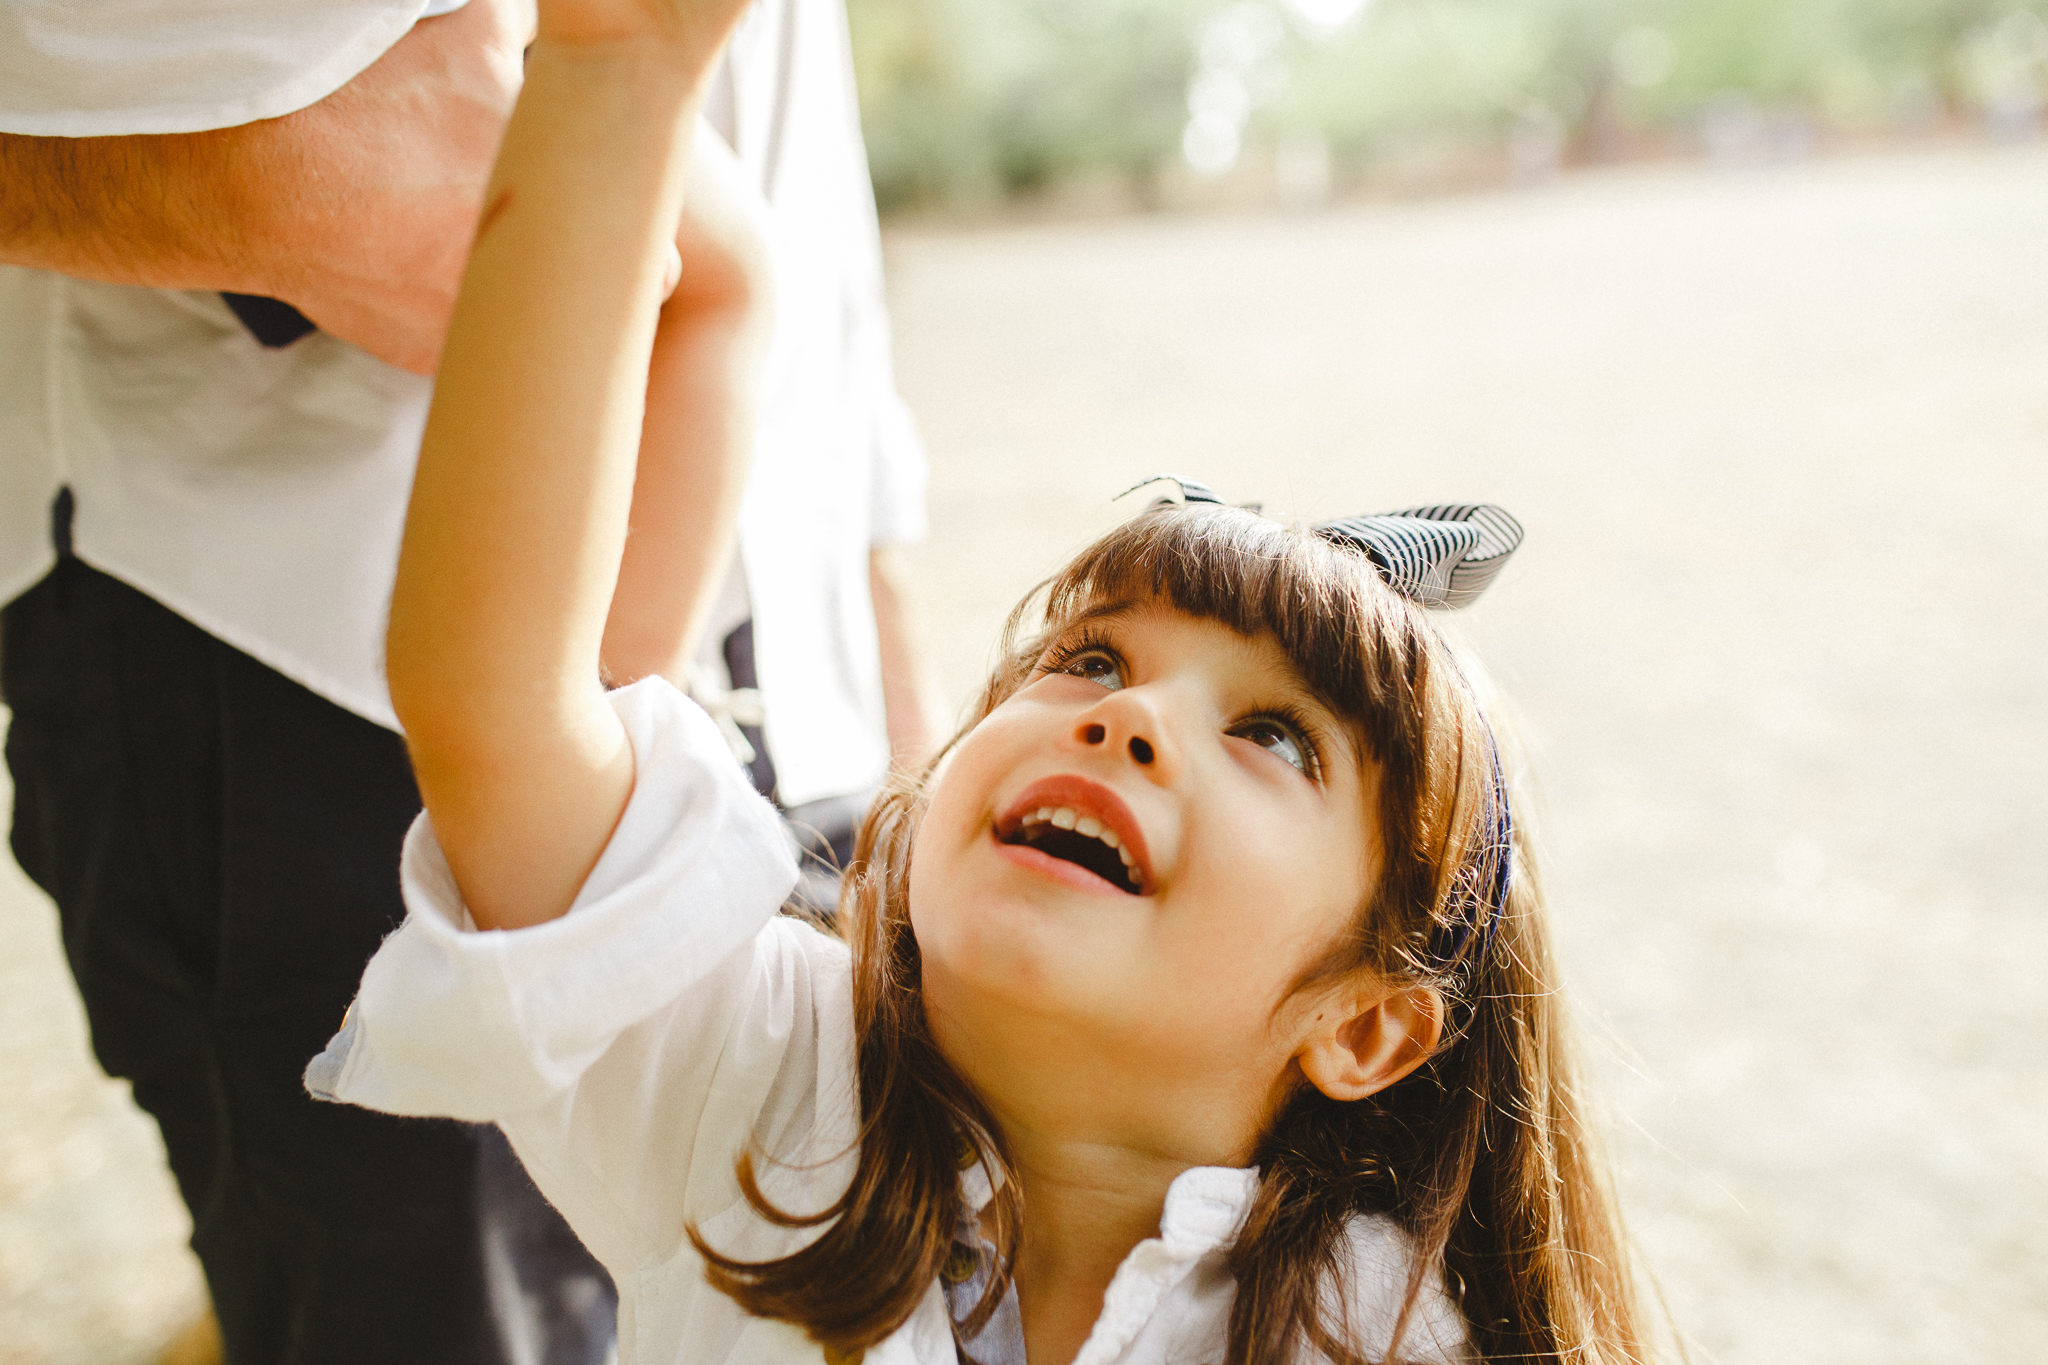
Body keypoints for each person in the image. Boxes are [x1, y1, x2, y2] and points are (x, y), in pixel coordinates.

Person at [303, 1, 1647, 1361]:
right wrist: (617, 67)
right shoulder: (756, 1082)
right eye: (1089, 657)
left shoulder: (1377, 1334)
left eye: (1273, 735)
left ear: (1363, 1024)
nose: (1127, 716)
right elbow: (498, 703)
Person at [0, 0, 933, 1360]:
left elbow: (784, 157)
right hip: (299, 641)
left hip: (765, 649)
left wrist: (875, 624)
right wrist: (209, 185)